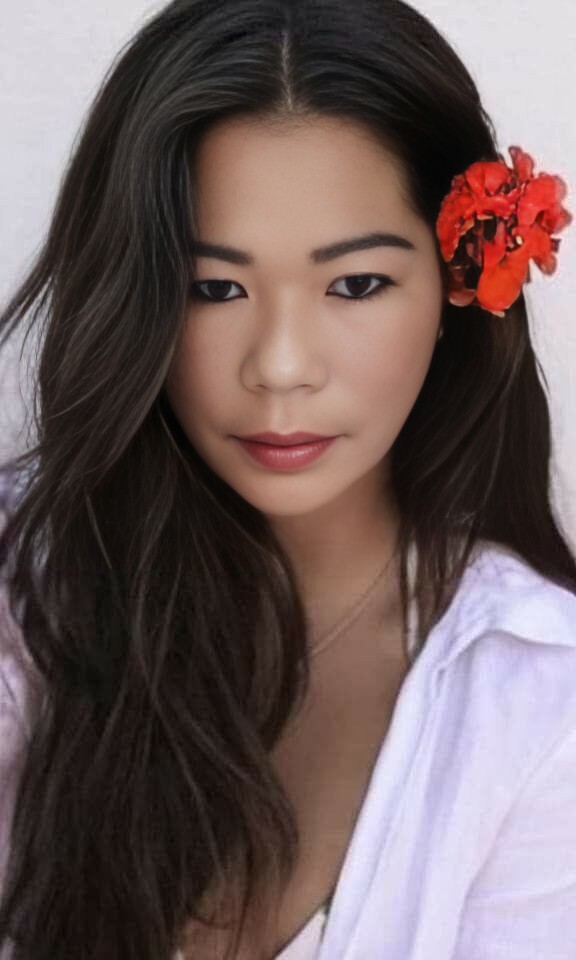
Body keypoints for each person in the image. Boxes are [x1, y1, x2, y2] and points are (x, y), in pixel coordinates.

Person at [0, 0, 575, 957]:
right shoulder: (29, 598)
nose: (279, 366)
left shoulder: (540, 697)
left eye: (355, 284)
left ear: (458, 286)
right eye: (214, 288)